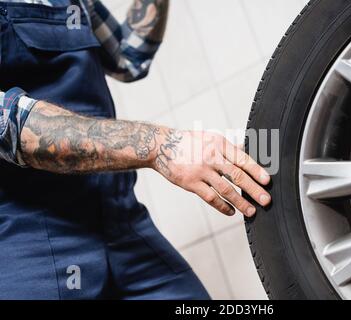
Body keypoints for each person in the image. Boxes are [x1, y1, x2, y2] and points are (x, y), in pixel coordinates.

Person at [0, 0, 271, 299]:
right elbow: (12, 126)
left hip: (123, 224)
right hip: (33, 246)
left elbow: (130, 57)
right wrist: (161, 146)